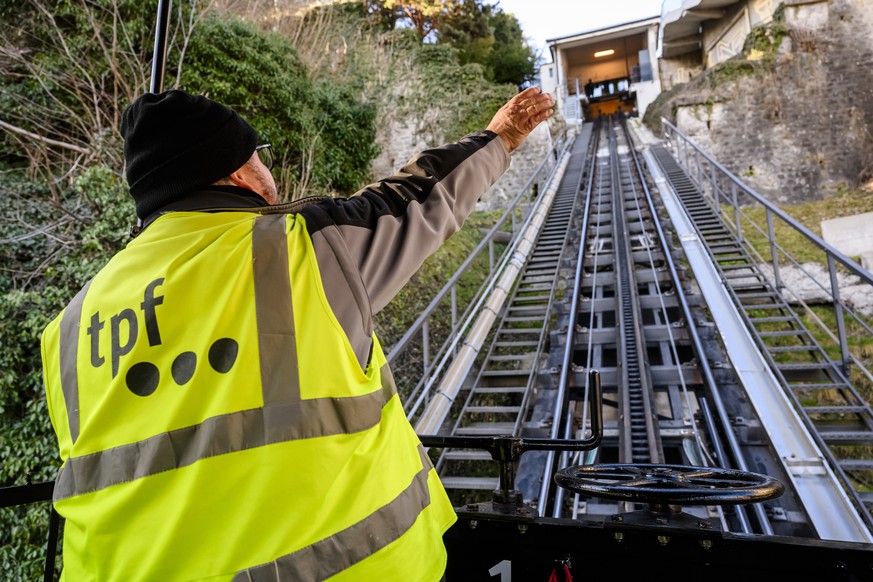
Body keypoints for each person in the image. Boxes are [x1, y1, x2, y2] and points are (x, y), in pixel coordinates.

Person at [41, 86, 554, 581]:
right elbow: (415, 198)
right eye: (259, 156)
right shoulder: (299, 251)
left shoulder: (65, 329)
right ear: (240, 173)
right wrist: (500, 136)